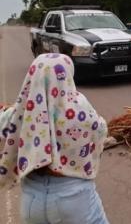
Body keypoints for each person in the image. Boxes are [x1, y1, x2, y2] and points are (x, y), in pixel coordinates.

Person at [0, 54, 109, 223]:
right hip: (73, 198)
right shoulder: (79, 107)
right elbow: (100, 129)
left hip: (31, 202)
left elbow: (4, 126)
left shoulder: (20, 112)